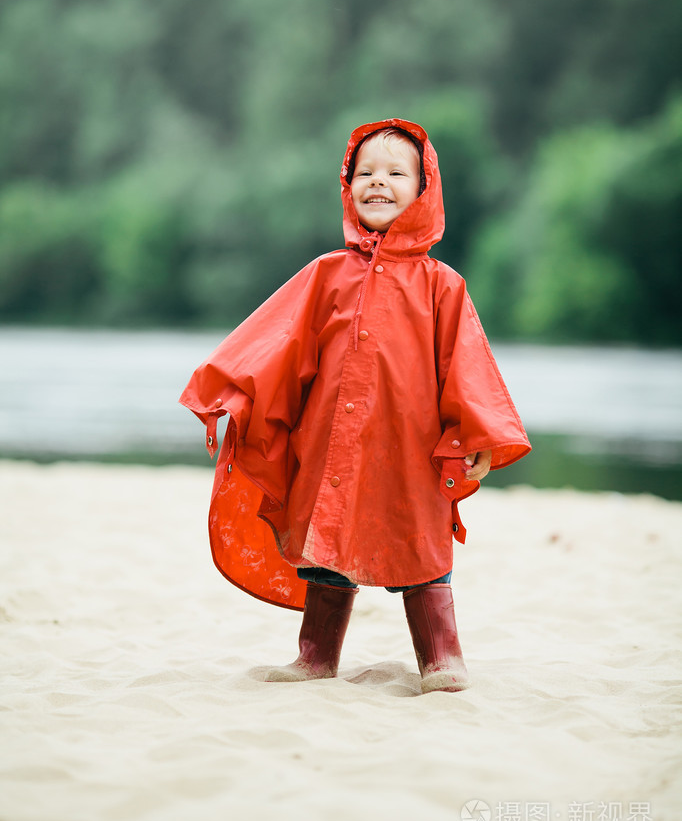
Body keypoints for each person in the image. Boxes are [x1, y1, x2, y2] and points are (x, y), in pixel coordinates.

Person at [180, 118, 530, 693]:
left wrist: (478, 437)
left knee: (422, 542)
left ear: (424, 189)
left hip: (412, 446)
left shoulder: (443, 286)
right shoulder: (326, 274)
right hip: (329, 441)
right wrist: (226, 391)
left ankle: (442, 657)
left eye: (396, 173)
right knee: (326, 541)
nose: (378, 182)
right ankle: (316, 656)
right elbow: (275, 343)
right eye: (364, 172)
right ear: (347, 186)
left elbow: (468, 371)